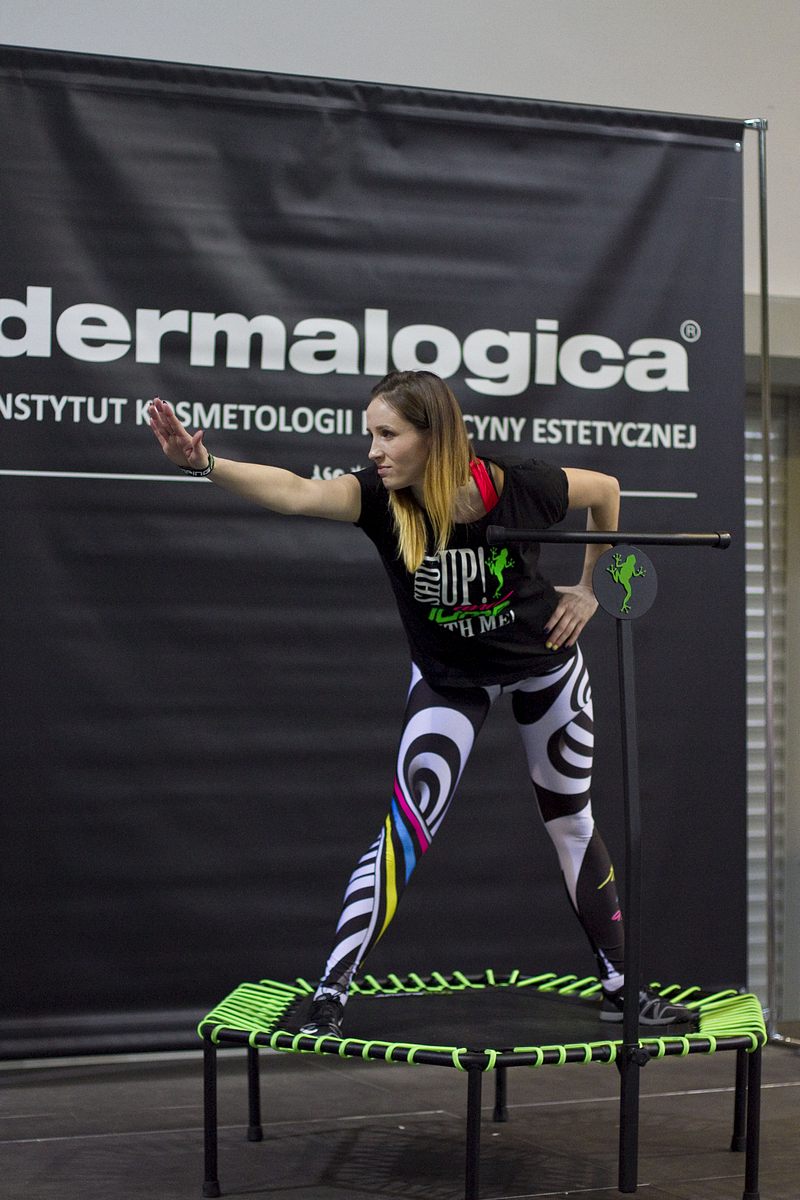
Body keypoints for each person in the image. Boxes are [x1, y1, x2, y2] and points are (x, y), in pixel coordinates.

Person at [148, 370, 695, 1036]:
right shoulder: (380, 498)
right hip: (450, 677)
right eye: (370, 435)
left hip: (543, 665)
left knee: (572, 822)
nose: (373, 449)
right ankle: (331, 992)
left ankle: (621, 986)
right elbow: (295, 492)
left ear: (434, 437)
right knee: (407, 828)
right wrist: (204, 463)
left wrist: (590, 588)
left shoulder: (516, 485)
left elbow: (605, 490)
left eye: (388, 434)